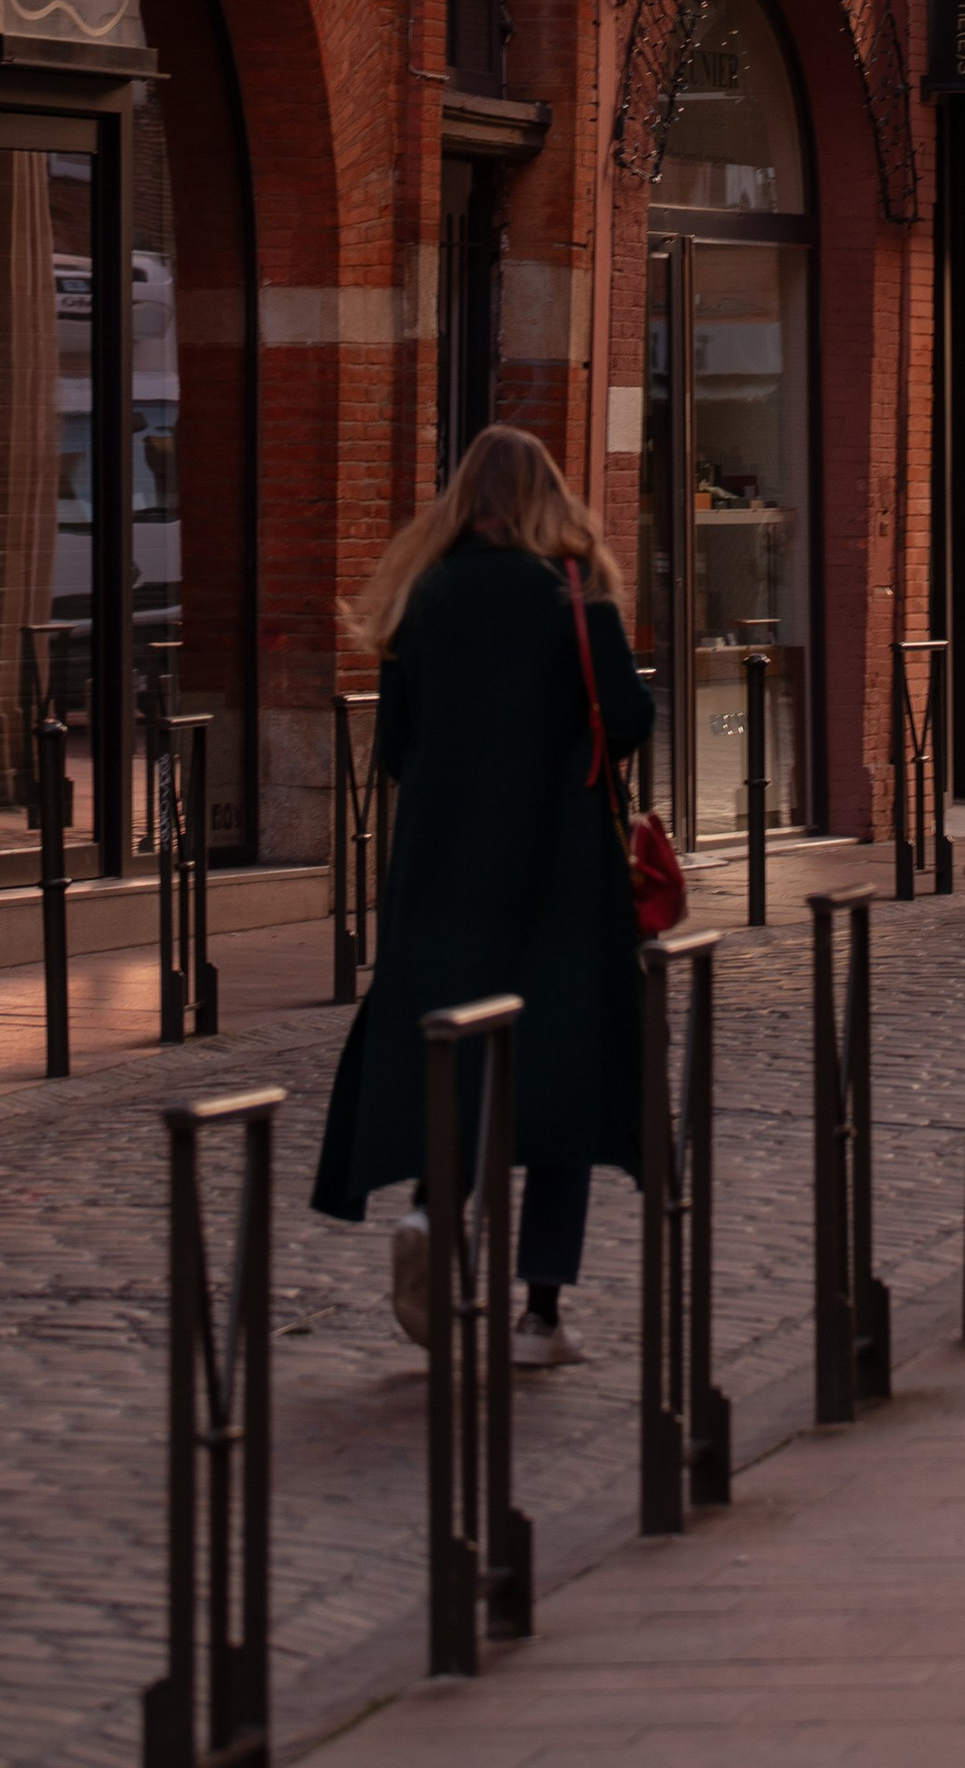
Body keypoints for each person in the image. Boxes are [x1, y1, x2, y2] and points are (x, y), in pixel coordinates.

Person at [311, 424, 653, 1369]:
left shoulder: (424, 598)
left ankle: (431, 1211)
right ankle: (540, 1316)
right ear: (551, 498)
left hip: (442, 874)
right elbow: (625, 720)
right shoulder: (575, 596)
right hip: (559, 876)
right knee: (562, 1084)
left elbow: (393, 754)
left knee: (452, 1060)